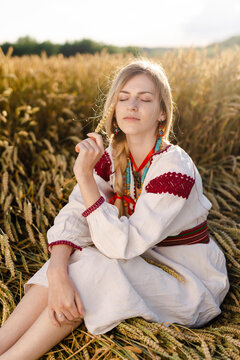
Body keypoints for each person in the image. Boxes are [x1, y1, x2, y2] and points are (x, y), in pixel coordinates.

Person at [0, 58, 230, 360]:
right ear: (114, 108)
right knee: (71, 264)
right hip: (143, 260)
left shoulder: (174, 168)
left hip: (187, 281)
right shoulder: (112, 155)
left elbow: (123, 245)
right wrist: (57, 272)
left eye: (145, 98)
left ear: (162, 112)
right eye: (124, 98)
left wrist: (84, 175)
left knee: (94, 268)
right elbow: (75, 214)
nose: (132, 105)